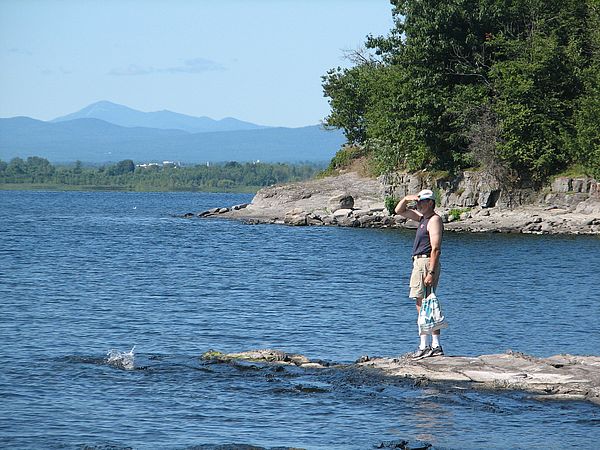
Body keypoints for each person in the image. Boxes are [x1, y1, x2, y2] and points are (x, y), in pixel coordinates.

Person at [395, 189, 444, 359]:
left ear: (430, 203)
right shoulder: (423, 218)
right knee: (424, 303)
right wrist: (406, 198)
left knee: (425, 304)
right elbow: (399, 210)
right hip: (420, 263)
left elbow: (436, 248)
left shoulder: (434, 220)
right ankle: (431, 345)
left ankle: (428, 345)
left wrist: (431, 272)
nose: (418, 205)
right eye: (417, 202)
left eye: (422, 202)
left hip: (426, 263)